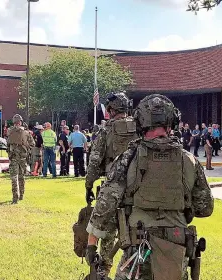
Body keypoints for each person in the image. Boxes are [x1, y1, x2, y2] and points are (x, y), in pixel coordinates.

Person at [86, 94, 214, 280]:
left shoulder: (128, 158)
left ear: (140, 122)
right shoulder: (189, 160)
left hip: (138, 250)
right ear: (172, 123)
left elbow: (105, 205)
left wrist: (92, 244)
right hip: (176, 249)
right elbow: (205, 208)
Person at [84, 92, 138, 276]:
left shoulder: (105, 130)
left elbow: (94, 161)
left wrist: (88, 185)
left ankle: (103, 271)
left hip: (112, 189)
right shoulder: (139, 128)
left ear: (110, 109)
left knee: (107, 232)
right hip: (138, 190)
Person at [7, 114, 34, 204]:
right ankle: (21, 195)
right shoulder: (26, 132)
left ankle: (15, 197)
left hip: (14, 157)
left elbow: (8, 142)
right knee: (21, 177)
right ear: (20, 122)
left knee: (14, 178)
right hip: (22, 158)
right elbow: (32, 144)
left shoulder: (10, 131)